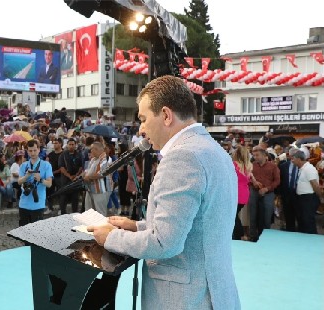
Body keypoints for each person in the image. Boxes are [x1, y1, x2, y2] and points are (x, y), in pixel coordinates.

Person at [87, 76, 240, 309]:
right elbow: (198, 227)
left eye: (144, 118)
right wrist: (137, 226)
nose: (141, 128)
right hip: (213, 293)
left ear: (166, 115)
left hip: (184, 299)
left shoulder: (183, 157)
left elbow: (165, 243)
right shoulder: (213, 150)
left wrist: (111, 237)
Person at [17, 140, 53, 226]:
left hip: (38, 204)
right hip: (24, 204)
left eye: (34, 150)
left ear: (39, 150)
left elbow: (49, 184)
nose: (32, 153)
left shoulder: (46, 165)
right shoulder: (24, 165)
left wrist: (40, 179)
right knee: (23, 233)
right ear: (27, 151)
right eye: (30, 151)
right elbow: (19, 182)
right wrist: (26, 176)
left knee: (36, 234)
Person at [248, 147, 280, 241]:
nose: (255, 157)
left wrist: (267, 189)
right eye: (254, 155)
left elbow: (277, 181)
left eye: (257, 155)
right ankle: (253, 236)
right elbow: (248, 177)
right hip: (254, 191)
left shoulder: (273, 166)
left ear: (264, 155)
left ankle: (265, 236)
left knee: (267, 215)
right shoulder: (252, 165)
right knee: (252, 214)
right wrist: (252, 182)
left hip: (268, 193)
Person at [292, 150, 324, 234]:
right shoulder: (302, 169)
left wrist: (320, 197)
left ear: (299, 159)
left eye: (293, 159)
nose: (292, 161)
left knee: (308, 221)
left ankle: (312, 240)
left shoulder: (309, 169)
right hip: (303, 199)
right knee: (303, 220)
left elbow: (315, 185)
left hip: (309, 198)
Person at [82, 141, 113, 216]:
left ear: (96, 149)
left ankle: (100, 227)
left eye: (92, 149)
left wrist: (88, 177)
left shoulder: (106, 159)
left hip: (101, 190)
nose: (91, 151)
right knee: (89, 211)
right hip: (90, 189)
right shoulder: (93, 159)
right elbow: (87, 170)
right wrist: (84, 175)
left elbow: (102, 173)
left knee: (100, 213)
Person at [232, 146, 252, 240]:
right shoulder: (248, 166)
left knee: (233, 216)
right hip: (244, 194)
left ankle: (240, 235)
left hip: (235, 194)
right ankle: (240, 235)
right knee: (235, 215)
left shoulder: (233, 165)